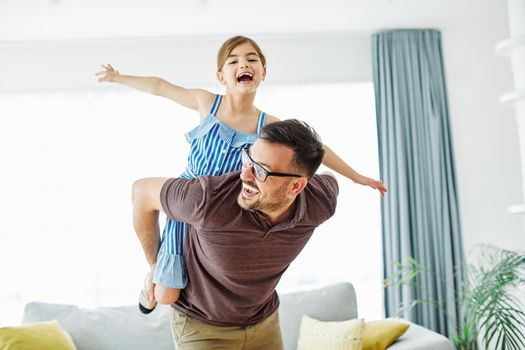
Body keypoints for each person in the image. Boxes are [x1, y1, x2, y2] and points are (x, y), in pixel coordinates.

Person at [95, 35, 387, 313]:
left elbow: (316, 149)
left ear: (262, 72)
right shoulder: (206, 102)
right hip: (190, 198)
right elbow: (159, 86)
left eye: (251, 59)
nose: (243, 64)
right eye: (233, 61)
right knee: (165, 295)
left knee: (196, 276)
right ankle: (152, 273)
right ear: (222, 76)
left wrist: (356, 176)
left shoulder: (267, 124)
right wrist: (119, 77)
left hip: (220, 207)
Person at [132, 119, 338, 349]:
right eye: (247, 159)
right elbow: (141, 192)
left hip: (265, 322)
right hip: (203, 329)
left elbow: (330, 180)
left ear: (296, 187)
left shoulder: (321, 202)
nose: (245, 175)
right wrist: (155, 266)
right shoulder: (208, 199)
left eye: (260, 170)